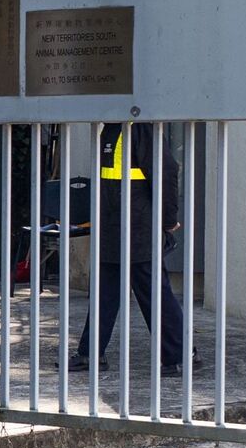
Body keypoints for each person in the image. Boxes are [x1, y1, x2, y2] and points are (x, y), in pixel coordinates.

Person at [70, 122, 187, 374]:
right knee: (105, 291)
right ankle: (90, 353)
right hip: (113, 224)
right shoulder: (112, 127)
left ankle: (180, 355)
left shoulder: (141, 127)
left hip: (137, 225)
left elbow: (166, 171)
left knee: (153, 291)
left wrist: (167, 219)